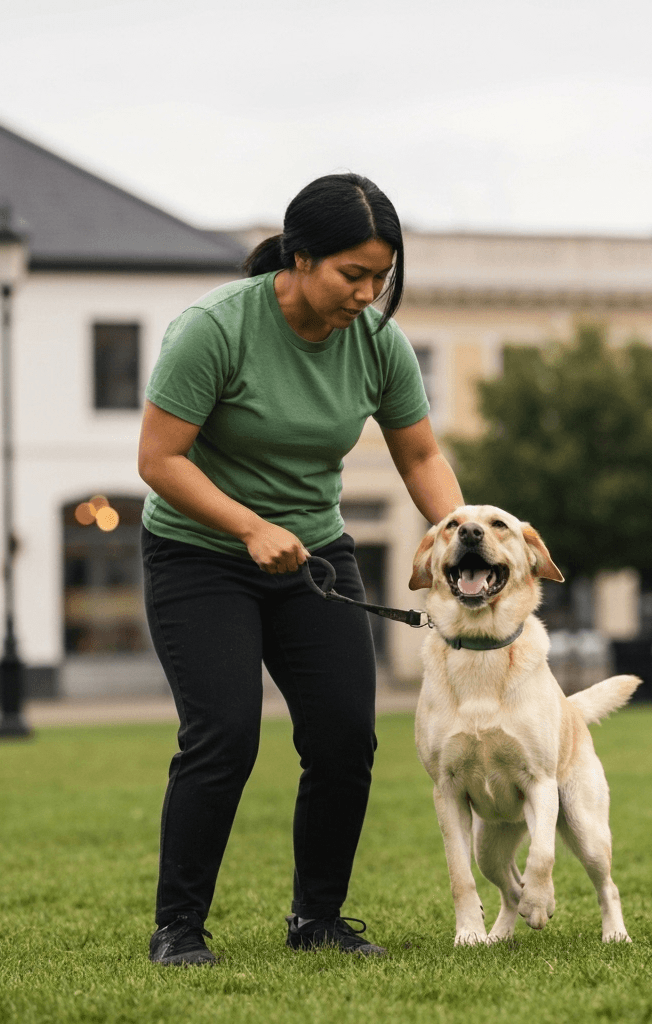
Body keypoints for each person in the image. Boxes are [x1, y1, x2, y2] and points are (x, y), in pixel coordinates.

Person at [138, 172, 464, 965]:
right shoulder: (215, 329)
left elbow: (418, 452)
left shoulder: (377, 345)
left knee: (346, 735)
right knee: (223, 735)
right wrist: (250, 527)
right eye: (353, 275)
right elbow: (158, 458)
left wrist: (464, 537)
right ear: (299, 256)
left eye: (380, 278)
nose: (367, 293)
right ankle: (178, 929)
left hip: (314, 554)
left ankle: (317, 919)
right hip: (198, 554)